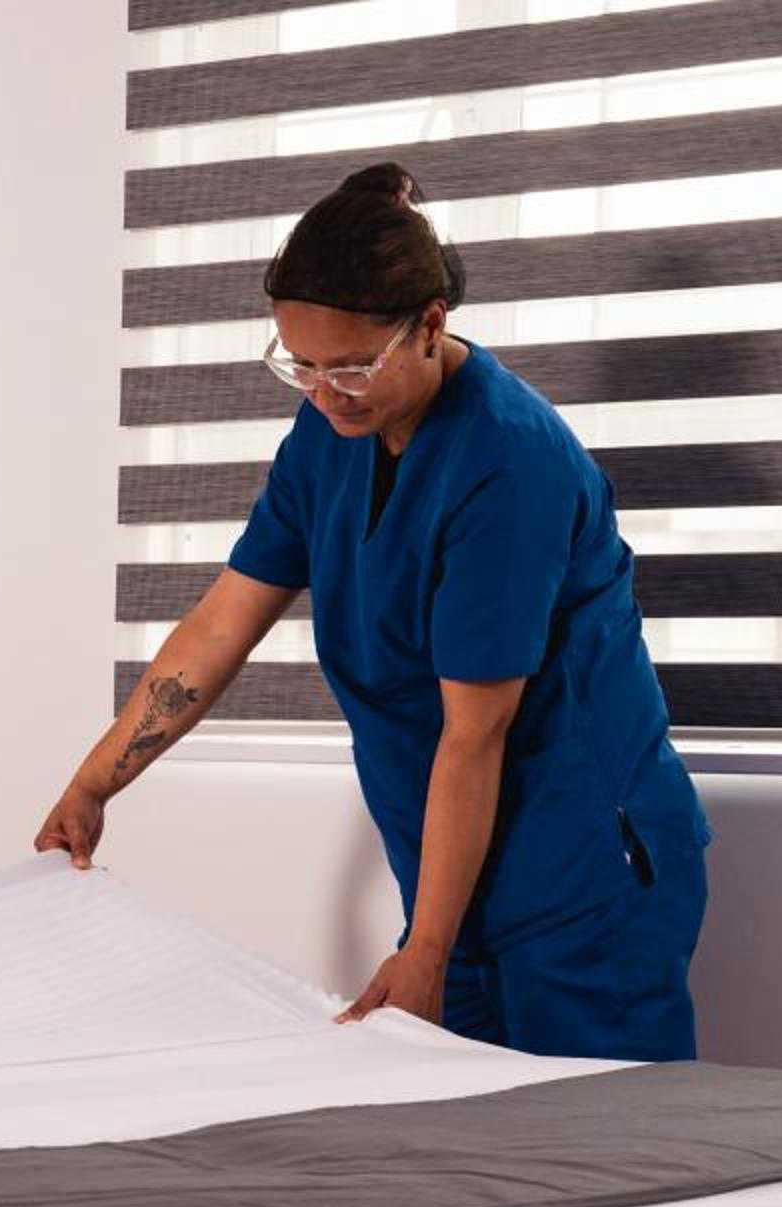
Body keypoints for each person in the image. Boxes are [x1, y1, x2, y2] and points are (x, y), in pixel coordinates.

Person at [35, 162, 711, 1063]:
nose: (326, 393)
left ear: (429, 325)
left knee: (598, 1132)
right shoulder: (329, 431)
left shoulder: (510, 463)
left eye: (352, 366)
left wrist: (426, 951)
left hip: (580, 875)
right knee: (454, 1127)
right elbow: (223, 621)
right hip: (450, 870)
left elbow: (476, 730)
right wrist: (93, 784)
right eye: (302, 367)